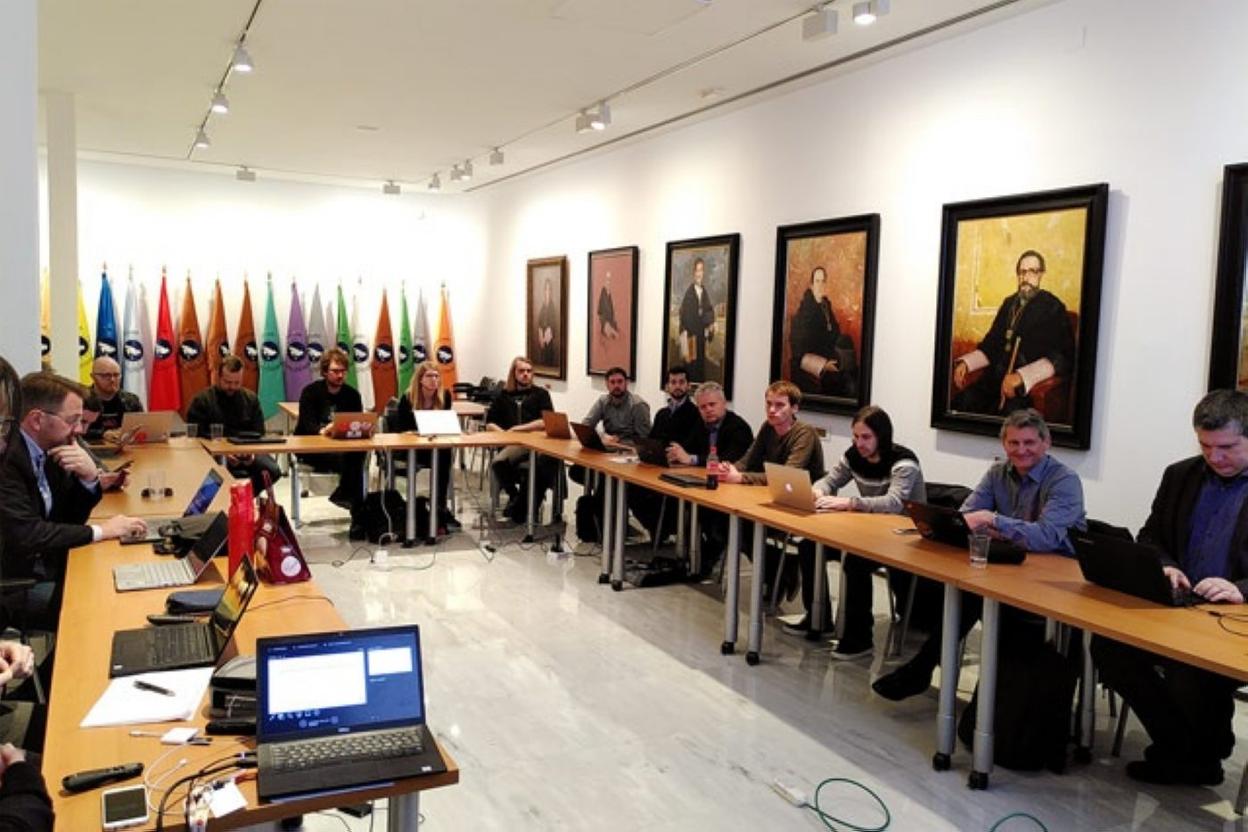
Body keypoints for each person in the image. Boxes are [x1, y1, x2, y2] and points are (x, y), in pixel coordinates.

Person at [872, 408, 1085, 701]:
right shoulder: (998, 473)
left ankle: (929, 673)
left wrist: (994, 520)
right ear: (1004, 444)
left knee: (974, 599)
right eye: (1013, 443)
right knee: (965, 592)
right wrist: (996, 525)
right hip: (1013, 567)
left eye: (1029, 443)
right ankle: (936, 677)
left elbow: (1046, 537)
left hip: (1056, 583)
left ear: (1046, 443)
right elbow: (966, 516)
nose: (1021, 450)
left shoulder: (1064, 480)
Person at [1092, 390, 1248, 785]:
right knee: (1110, 647)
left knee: (1190, 668)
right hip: (1179, 605)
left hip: (1236, 619)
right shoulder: (1180, 475)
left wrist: (1241, 589)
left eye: (1227, 447)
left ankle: (1194, 754)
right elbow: (1151, 535)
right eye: (1205, 446)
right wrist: (1165, 566)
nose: (1215, 457)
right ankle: (1187, 749)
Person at [0, 371, 147, 630]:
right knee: (99, 605)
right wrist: (102, 531)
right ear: (37, 420)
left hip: (49, 563)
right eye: (73, 421)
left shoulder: (51, 449)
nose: (79, 430)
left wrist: (89, 478)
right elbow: (28, 534)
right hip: (18, 582)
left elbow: (68, 518)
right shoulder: (7, 460)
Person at [785, 406, 926, 656]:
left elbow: (894, 503)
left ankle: (860, 639)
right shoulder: (853, 455)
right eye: (856, 437)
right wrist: (818, 490)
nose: (859, 444)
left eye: (866, 437)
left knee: (855, 562)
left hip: (904, 538)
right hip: (870, 531)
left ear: (882, 436)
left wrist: (849, 503)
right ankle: (818, 619)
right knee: (809, 546)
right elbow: (831, 479)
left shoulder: (904, 462)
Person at [721, 381, 825, 600]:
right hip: (772, 499)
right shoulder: (768, 428)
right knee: (727, 524)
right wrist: (730, 469)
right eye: (768, 404)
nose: (772, 410)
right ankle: (782, 567)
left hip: (802, 507)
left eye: (779, 405)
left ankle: (779, 572)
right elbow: (748, 460)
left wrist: (741, 477)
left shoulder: (804, 434)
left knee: (745, 528)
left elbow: (787, 475)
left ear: (794, 408)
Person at [951, 250, 1076, 416]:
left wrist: (1021, 377)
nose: (1026, 277)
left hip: (1023, 390)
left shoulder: (1053, 307)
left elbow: (1063, 356)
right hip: (993, 381)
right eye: (1022, 272)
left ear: (1041, 274)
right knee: (961, 404)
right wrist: (967, 363)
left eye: (1032, 271)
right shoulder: (1009, 303)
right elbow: (992, 343)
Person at [664, 381, 754, 576]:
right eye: (703, 407)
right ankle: (691, 557)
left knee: (709, 517)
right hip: (706, 487)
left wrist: (692, 459)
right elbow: (688, 448)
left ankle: (704, 557)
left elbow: (729, 460)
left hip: (733, 492)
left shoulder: (738, 427)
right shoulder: (701, 424)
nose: (708, 410)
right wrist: (676, 454)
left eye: (712, 405)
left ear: (724, 404)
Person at [185, 355, 281, 493]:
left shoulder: (251, 399)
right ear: (219, 377)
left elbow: (259, 433)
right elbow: (196, 436)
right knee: (209, 473)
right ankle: (221, 500)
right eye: (228, 382)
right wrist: (222, 453)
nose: (232, 387)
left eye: (237, 383)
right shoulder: (202, 401)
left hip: (247, 452)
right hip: (214, 453)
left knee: (273, 470)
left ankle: (243, 497)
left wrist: (250, 455)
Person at [295, 348, 366, 531]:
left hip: (342, 447)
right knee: (353, 461)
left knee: (357, 454)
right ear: (325, 371)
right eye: (335, 371)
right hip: (312, 449)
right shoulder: (310, 392)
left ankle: (348, 500)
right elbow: (307, 425)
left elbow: (357, 423)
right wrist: (324, 431)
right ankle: (357, 511)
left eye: (343, 371)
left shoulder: (352, 395)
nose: (340, 375)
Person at [388, 361, 460, 533]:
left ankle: (439, 507)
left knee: (445, 454)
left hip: (434, 445)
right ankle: (426, 509)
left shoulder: (445, 396)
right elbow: (401, 430)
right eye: (429, 376)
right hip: (412, 448)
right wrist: (419, 433)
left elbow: (445, 424)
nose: (434, 380)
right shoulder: (408, 398)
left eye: (436, 376)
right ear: (420, 379)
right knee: (441, 455)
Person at [629, 367, 699, 542]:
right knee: (631, 488)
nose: (677, 386)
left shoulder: (696, 413)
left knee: (659, 497)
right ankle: (658, 531)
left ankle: (664, 532)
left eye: (681, 382)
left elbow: (693, 444)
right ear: (667, 386)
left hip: (682, 469)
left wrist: (679, 455)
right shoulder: (662, 413)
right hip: (658, 466)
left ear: (688, 386)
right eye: (673, 382)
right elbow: (652, 441)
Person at [487, 357, 557, 523]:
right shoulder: (503, 395)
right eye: (521, 371)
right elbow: (490, 422)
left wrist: (518, 429)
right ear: (514, 373)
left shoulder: (541, 394)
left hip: (535, 441)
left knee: (542, 465)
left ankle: (521, 503)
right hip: (510, 442)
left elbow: (545, 421)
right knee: (498, 463)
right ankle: (515, 495)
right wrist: (504, 435)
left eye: (529, 371)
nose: (526, 374)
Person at [789, 266, 856, 398]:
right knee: (843, 385)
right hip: (813, 365)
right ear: (812, 285)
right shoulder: (804, 313)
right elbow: (798, 353)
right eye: (817, 281)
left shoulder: (825, 306)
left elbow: (834, 332)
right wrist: (824, 365)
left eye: (823, 281)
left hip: (831, 357)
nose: (820, 285)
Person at [580, 367, 650, 447]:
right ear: (607, 384)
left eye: (620, 381)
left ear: (626, 383)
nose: (616, 386)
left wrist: (619, 441)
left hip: (629, 449)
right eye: (612, 382)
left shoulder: (638, 405)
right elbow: (585, 426)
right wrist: (602, 436)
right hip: (608, 447)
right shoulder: (603, 401)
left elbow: (645, 439)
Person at [82, 356, 142, 440]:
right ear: (93, 377)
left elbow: (142, 426)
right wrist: (102, 434)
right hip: (92, 446)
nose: (112, 379)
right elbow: (75, 431)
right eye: (106, 375)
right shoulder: (82, 400)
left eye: (116, 375)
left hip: (126, 445)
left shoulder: (131, 401)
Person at [678, 257, 716, 382]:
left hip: (699, 336)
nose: (699, 274)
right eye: (697, 270)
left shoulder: (704, 291)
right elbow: (686, 316)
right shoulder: (690, 293)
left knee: (699, 365)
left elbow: (709, 310)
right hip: (691, 336)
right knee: (691, 366)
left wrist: (710, 323)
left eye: (701, 270)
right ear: (693, 273)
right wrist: (703, 322)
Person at [536, 279, 558, 369]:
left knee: (549, 358)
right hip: (542, 338)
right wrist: (540, 333)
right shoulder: (543, 306)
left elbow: (553, 324)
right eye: (546, 289)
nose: (547, 291)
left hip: (549, 338)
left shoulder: (552, 306)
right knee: (542, 359)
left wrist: (548, 334)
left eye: (549, 289)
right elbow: (539, 322)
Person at [596, 271, 619, 341]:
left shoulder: (609, 294)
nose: (608, 282)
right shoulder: (603, 293)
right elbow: (600, 311)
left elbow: (611, 310)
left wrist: (612, 319)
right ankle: (610, 330)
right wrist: (605, 322)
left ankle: (611, 330)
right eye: (607, 280)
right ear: (605, 281)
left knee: (614, 327)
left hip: (609, 320)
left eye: (609, 280)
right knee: (609, 331)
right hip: (604, 320)